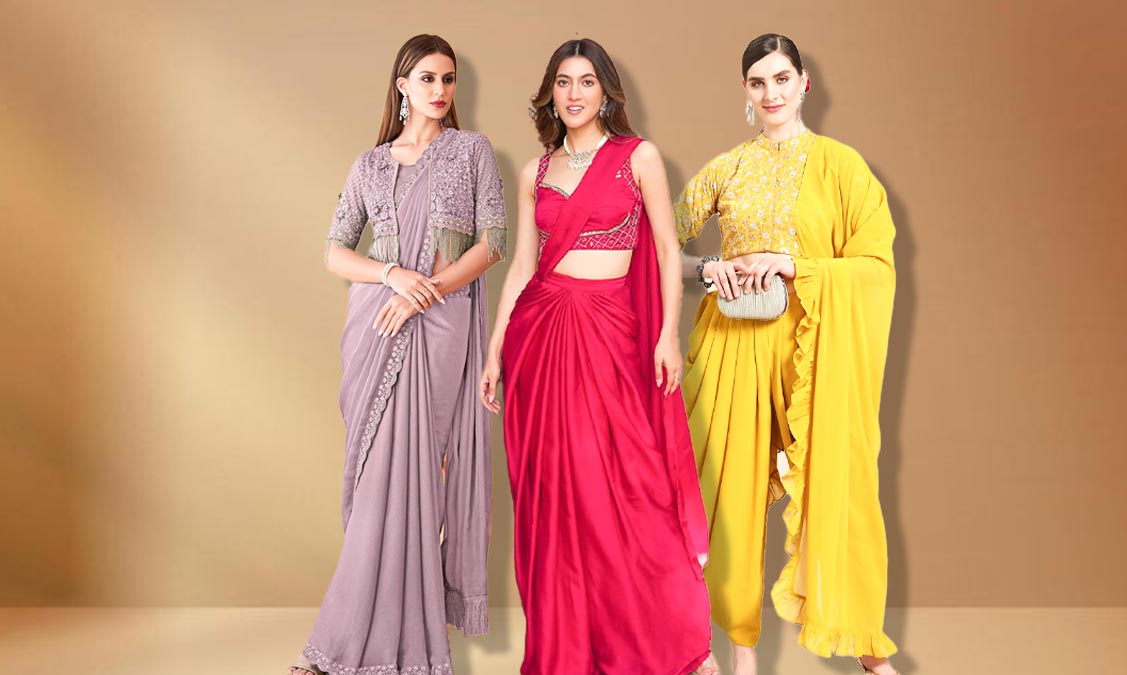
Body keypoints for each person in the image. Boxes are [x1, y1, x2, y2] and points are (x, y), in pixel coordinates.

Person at [479, 38, 717, 675]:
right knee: (559, 495)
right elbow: (523, 267)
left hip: (613, 336)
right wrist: (496, 349)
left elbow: (666, 250)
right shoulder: (536, 173)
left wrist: (668, 334)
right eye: (564, 82)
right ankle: (571, 646)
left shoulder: (638, 158)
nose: (574, 93)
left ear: (606, 92)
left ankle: (670, 643)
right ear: (550, 94)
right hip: (542, 339)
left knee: (633, 486)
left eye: (587, 81)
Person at [675, 33, 901, 675]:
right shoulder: (725, 169)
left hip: (813, 348)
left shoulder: (842, 167)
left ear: (804, 83)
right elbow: (660, 250)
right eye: (758, 82)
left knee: (840, 483)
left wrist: (794, 264)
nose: (770, 93)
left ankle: (866, 647)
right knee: (725, 493)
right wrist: (711, 268)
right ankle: (740, 651)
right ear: (745, 92)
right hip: (730, 345)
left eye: (781, 79)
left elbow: (875, 265)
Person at [290, 33, 505, 675]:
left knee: (416, 478)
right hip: (376, 327)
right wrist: (391, 276)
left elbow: (492, 243)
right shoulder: (369, 165)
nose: (440, 90)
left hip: (439, 327)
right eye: (427, 79)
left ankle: (356, 646)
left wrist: (424, 293)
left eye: (448, 79)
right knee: (378, 483)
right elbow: (335, 252)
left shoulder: (471, 151)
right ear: (402, 86)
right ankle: (363, 641)